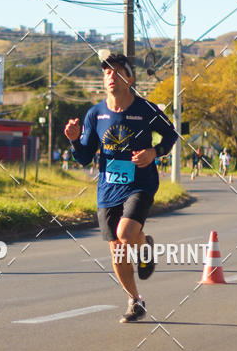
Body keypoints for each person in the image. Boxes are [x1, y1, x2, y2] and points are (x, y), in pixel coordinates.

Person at [64, 51, 177, 324]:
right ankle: (135, 300)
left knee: (125, 234)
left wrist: (154, 152)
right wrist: (74, 140)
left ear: (130, 78)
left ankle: (139, 243)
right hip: (108, 189)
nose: (110, 76)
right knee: (118, 248)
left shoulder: (145, 109)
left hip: (141, 182)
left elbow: (171, 134)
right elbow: (83, 157)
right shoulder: (95, 114)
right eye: (106, 72)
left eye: (116, 71)